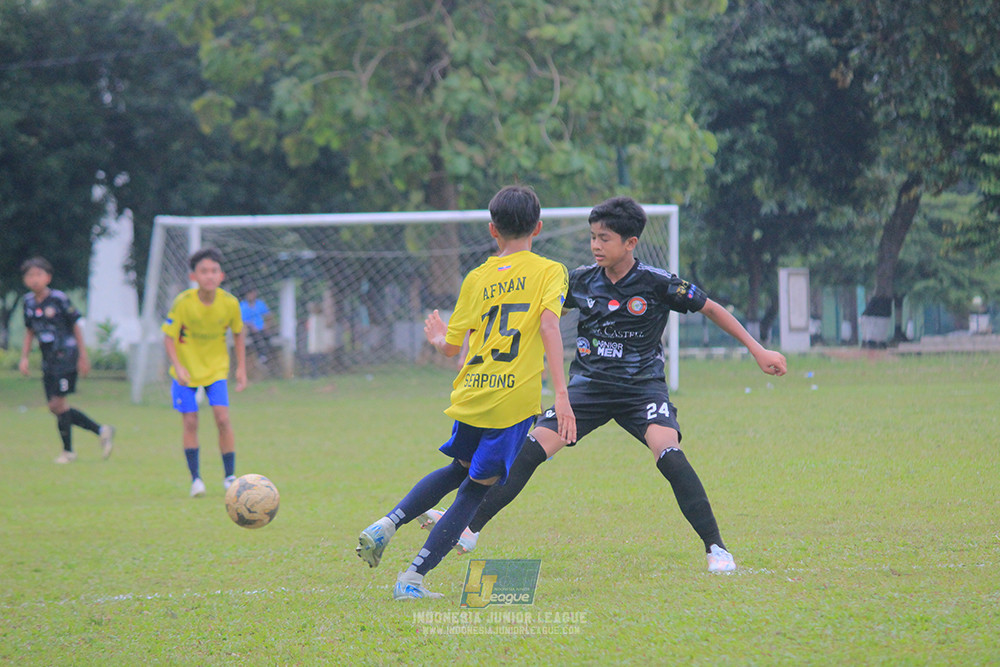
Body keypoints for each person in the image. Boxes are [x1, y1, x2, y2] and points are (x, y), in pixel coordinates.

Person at [420, 196, 788, 573]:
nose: (596, 245)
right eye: (593, 237)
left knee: (668, 452)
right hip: (589, 388)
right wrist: (471, 345)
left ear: (630, 243)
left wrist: (758, 350)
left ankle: (717, 548)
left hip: (641, 388)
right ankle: (470, 527)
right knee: (530, 449)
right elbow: (532, 319)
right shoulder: (578, 280)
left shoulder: (657, 283)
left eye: (605, 238)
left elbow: (710, 307)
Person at [355, 185, 576, 600]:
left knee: (458, 469)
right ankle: (413, 579)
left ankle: (387, 522)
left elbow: (453, 347)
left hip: (472, 390)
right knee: (475, 490)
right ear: (539, 228)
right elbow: (549, 327)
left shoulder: (477, 276)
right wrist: (561, 394)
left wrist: (438, 336)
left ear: (493, 230)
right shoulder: (551, 270)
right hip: (510, 401)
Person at [162, 247, 247, 498]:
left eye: (214, 271)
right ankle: (196, 480)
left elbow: (239, 333)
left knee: (222, 418)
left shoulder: (230, 303)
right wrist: (178, 366)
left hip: (216, 370)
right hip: (186, 372)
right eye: (204, 271)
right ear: (194, 277)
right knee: (190, 421)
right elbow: (168, 337)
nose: (209, 276)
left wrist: (241, 368)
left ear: (221, 275)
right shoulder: (183, 303)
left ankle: (229, 476)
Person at [19, 257, 114, 463]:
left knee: (58, 403)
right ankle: (101, 430)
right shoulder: (27, 302)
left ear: (48, 277)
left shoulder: (59, 299)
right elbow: (29, 331)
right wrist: (24, 357)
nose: (34, 279)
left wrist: (83, 355)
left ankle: (68, 451)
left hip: (66, 356)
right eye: (30, 275)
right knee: (55, 407)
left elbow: (75, 327)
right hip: (48, 359)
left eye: (38, 274)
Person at [239, 285, 274, 368]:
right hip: (250, 330)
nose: (251, 295)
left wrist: (267, 325)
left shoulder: (260, 304)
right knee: (256, 337)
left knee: (267, 336)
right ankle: (261, 357)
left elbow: (269, 315)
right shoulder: (243, 305)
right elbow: (241, 320)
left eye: (253, 293)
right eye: (249, 294)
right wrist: (251, 325)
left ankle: (265, 356)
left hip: (261, 329)